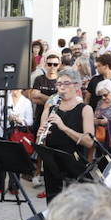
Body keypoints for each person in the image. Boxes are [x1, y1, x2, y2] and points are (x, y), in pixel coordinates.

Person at [36, 67, 95, 202]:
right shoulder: (50, 109)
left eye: (66, 83)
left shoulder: (85, 109)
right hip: (52, 164)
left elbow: (89, 142)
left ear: (77, 86)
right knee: (53, 204)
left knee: (75, 207)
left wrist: (63, 127)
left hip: (74, 163)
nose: (61, 87)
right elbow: (40, 142)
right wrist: (40, 136)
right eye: (59, 84)